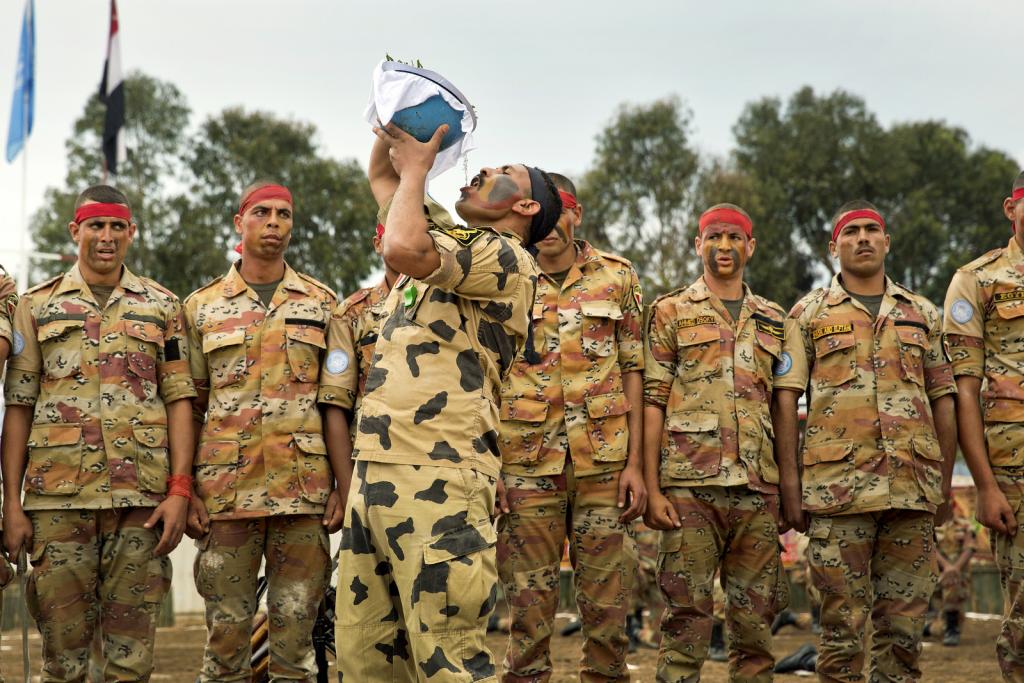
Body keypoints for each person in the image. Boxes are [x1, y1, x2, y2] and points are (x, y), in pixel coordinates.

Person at [334, 121, 557, 681]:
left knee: (449, 662)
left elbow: (403, 245)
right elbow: (383, 175)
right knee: (366, 664)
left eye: (503, 173)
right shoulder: (451, 243)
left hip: (442, 477)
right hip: (377, 474)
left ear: (526, 206)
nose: (483, 170)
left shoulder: (507, 257)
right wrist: (401, 115)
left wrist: (418, 169)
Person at [1, 185, 195, 681]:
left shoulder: (162, 305)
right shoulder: (36, 305)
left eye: (116, 227)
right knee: (63, 664)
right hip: (56, 505)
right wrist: (12, 504)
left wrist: (179, 489)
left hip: (142, 506)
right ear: (76, 231)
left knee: (131, 663)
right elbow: (19, 406)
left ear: (131, 233)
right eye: (95, 226)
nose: (106, 237)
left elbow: (179, 401)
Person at [775, 200, 958, 682]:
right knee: (841, 631)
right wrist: (790, 486)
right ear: (833, 247)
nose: (862, 238)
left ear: (886, 242)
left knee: (903, 632)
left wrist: (942, 484)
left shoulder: (922, 313)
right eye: (851, 231)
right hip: (838, 494)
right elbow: (787, 399)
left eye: (871, 230)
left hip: (912, 489)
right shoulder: (807, 314)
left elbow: (944, 398)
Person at [184, 181, 341, 681]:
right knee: (226, 645)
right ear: (240, 222)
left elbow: (337, 402)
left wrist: (341, 485)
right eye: (262, 213)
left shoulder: (322, 302)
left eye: (284, 215)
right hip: (226, 498)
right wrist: (184, 489)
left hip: (304, 497)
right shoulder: (200, 308)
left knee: (296, 648)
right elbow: (189, 407)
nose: (274, 223)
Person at [495, 173, 645, 682]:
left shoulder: (617, 277)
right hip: (524, 466)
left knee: (608, 616)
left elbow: (634, 372)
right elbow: (483, 376)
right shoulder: (502, 277)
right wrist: (491, 467)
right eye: (537, 212)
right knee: (527, 617)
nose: (550, 223)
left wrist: (637, 467)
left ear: (575, 213)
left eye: (558, 211)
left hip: (603, 467)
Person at [643, 203, 788, 682]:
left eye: (734, 238)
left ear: (751, 245)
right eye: (714, 237)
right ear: (697, 244)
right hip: (688, 489)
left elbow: (782, 409)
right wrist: (652, 487)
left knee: (756, 629)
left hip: (756, 490)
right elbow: (653, 401)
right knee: (685, 623)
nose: (723, 247)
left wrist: (788, 487)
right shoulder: (669, 312)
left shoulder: (773, 319)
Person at [943, 171, 1024, 677]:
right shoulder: (978, 280)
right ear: (1010, 209)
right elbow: (964, 392)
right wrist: (986, 487)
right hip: (1016, 474)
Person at [932, 500, 975, 646]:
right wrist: (946, 567)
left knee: (952, 584)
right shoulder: (931, 523)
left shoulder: (964, 524)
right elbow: (930, 547)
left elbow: (970, 548)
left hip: (958, 573)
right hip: (935, 572)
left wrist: (954, 568)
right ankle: (931, 625)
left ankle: (952, 629)